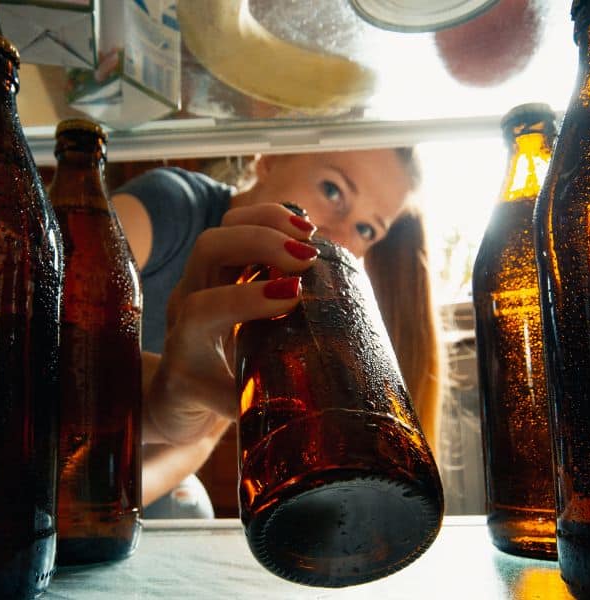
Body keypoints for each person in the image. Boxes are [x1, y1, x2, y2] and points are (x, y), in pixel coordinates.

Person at [113, 149, 443, 516]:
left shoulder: (280, 307)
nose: (336, 235)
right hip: (53, 445)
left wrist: (110, 504)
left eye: (366, 229)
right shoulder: (172, 204)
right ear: (269, 159)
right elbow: (46, 320)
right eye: (332, 191)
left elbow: (197, 442)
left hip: (121, 471)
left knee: (193, 510)